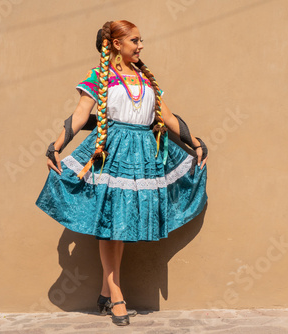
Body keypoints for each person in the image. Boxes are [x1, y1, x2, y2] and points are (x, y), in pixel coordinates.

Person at [36, 20, 208, 326]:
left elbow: (165, 114)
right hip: (110, 152)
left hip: (144, 153)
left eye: (140, 41)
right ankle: (116, 295)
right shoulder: (101, 76)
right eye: (136, 40)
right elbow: (80, 114)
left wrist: (194, 143)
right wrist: (56, 145)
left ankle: (105, 291)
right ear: (117, 44)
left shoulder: (145, 77)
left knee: (122, 221)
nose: (141, 46)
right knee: (112, 223)